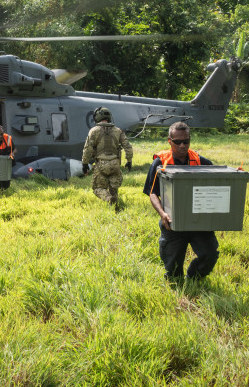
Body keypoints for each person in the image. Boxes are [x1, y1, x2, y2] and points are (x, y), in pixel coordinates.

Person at [143, 121, 218, 282]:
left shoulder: (202, 162)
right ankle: (176, 282)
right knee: (173, 268)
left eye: (186, 141)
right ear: (170, 141)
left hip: (199, 221)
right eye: (178, 142)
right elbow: (152, 193)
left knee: (210, 254)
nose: (182, 145)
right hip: (173, 221)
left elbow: (215, 187)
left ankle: (194, 277)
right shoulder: (160, 163)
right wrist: (162, 214)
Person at [81, 106, 133, 210]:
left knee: (97, 188)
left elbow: (88, 148)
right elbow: (128, 146)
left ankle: (109, 199)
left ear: (97, 118)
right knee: (114, 189)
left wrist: (85, 163)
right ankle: (116, 209)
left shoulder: (94, 131)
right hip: (115, 164)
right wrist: (129, 161)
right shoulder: (118, 131)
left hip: (101, 164)